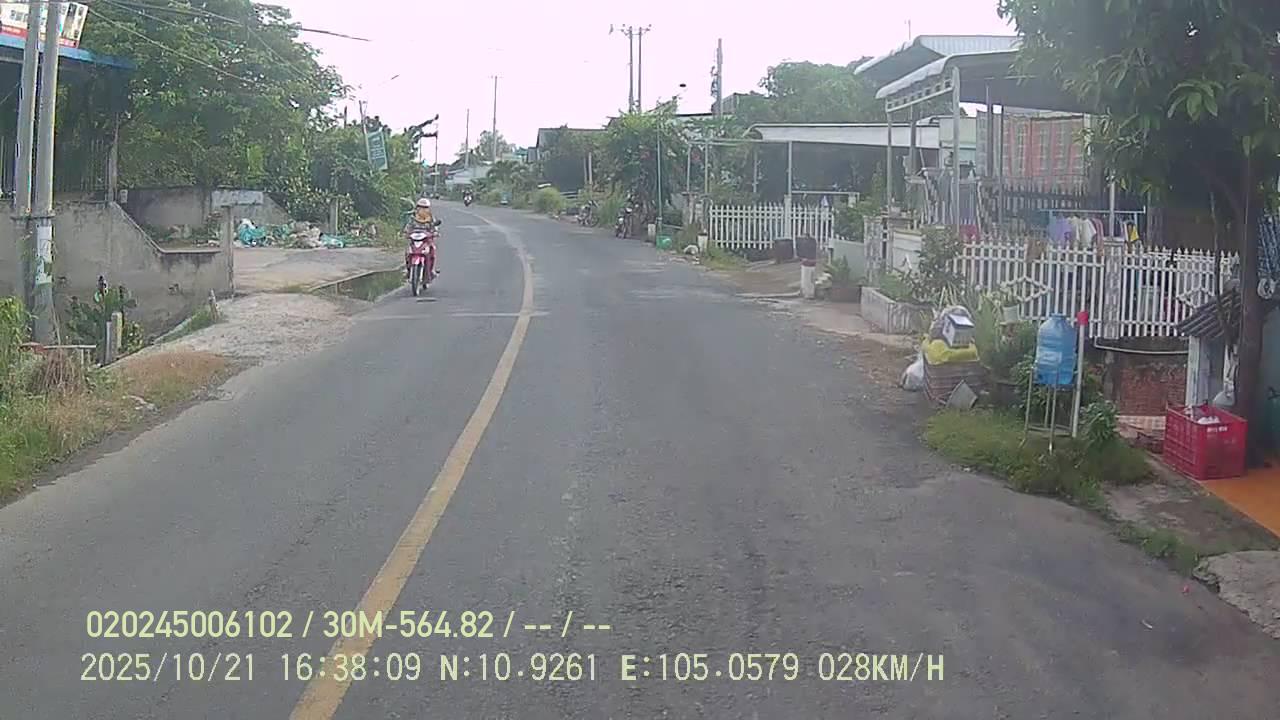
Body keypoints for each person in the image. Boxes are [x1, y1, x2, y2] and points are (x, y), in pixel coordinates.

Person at [404, 197, 439, 280]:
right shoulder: (413, 217)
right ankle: (408, 270)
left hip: (427, 240)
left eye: (425, 207)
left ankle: (431, 270)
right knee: (408, 253)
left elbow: (434, 227)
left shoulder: (430, 218)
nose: (423, 209)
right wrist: (406, 232)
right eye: (420, 207)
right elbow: (408, 226)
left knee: (432, 251)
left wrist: (435, 232)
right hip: (415, 240)